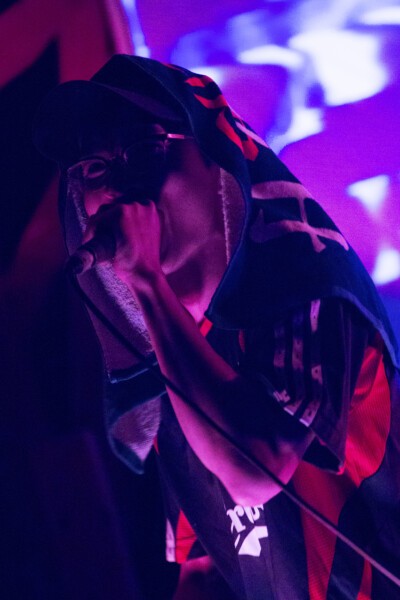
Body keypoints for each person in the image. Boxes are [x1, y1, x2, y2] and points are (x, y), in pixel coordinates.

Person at [33, 55, 400, 599]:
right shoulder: (174, 348)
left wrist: (147, 282)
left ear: (219, 163)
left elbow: (255, 471)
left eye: (143, 151)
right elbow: (203, 567)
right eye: (93, 169)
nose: (116, 189)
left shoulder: (307, 282)